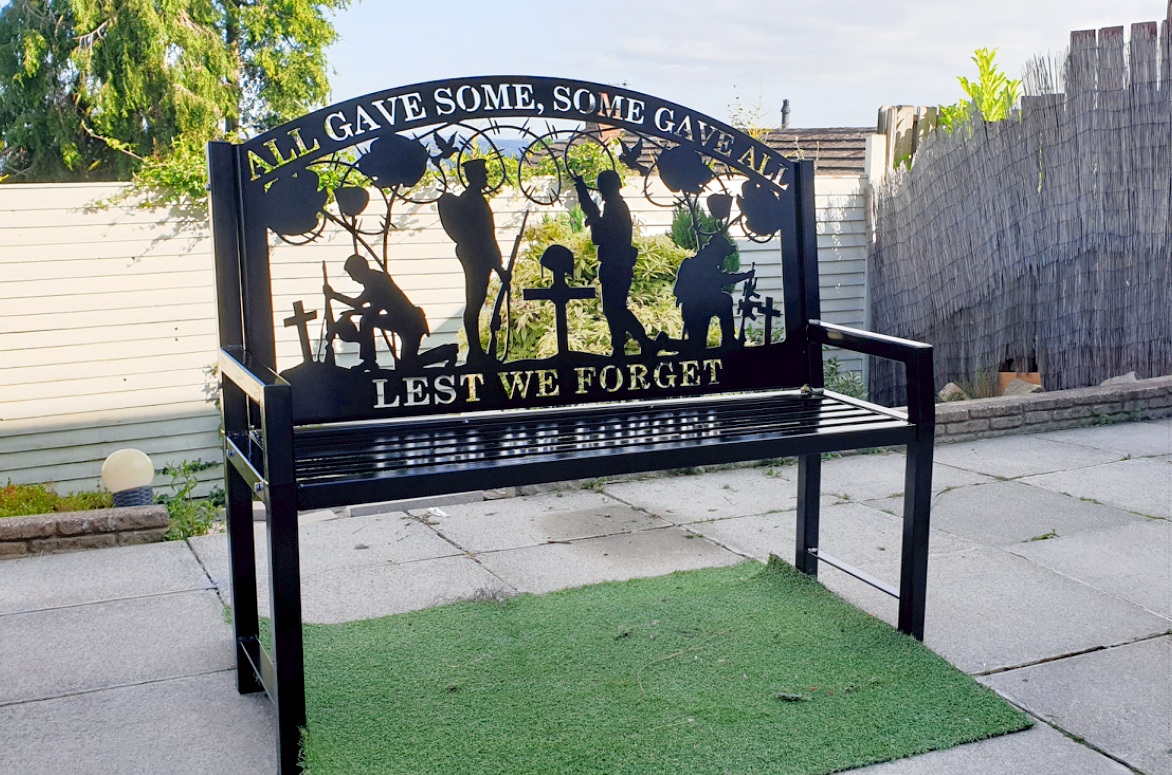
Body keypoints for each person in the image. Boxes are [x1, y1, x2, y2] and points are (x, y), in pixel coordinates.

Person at [573, 170, 657, 357]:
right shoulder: (614, 206)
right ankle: (620, 345)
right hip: (615, 264)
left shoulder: (616, 208)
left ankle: (641, 340)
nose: (601, 193)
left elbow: (604, 235)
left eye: (603, 188)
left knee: (615, 308)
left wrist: (594, 218)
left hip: (616, 265)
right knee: (612, 309)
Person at [438, 159, 510, 363]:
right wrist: (499, 267)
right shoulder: (472, 201)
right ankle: (475, 350)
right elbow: (484, 237)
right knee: (474, 303)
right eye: (483, 173)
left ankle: (476, 349)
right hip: (477, 259)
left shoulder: (474, 199)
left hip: (480, 258)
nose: (486, 176)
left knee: (475, 302)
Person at [323, 254, 427, 371]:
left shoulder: (377, 281)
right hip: (401, 321)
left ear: (360, 270)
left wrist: (334, 295)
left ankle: (445, 352)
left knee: (408, 364)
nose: (353, 279)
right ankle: (369, 361)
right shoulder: (373, 280)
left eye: (353, 274)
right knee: (408, 364)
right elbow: (364, 307)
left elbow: (362, 305)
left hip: (410, 323)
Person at [673, 236, 754, 351]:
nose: (722, 259)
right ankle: (728, 339)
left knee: (697, 346)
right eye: (721, 255)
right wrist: (744, 276)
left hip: (699, 309)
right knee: (725, 301)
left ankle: (728, 339)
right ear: (715, 253)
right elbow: (722, 279)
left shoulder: (703, 265)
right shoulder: (699, 266)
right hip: (695, 310)